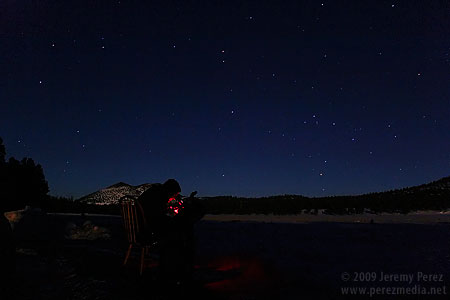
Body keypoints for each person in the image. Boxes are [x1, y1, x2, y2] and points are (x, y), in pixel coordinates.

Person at [136, 179, 205, 285]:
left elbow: (158, 214)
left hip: (140, 228)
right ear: (170, 190)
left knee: (177, 230)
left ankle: (176, 268)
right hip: (146, 232)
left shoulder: (154, 192)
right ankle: (177, 270)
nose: (173, 197)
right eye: (174, 194)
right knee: (179, 234)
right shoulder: (158, 195)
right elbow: (158, 217)